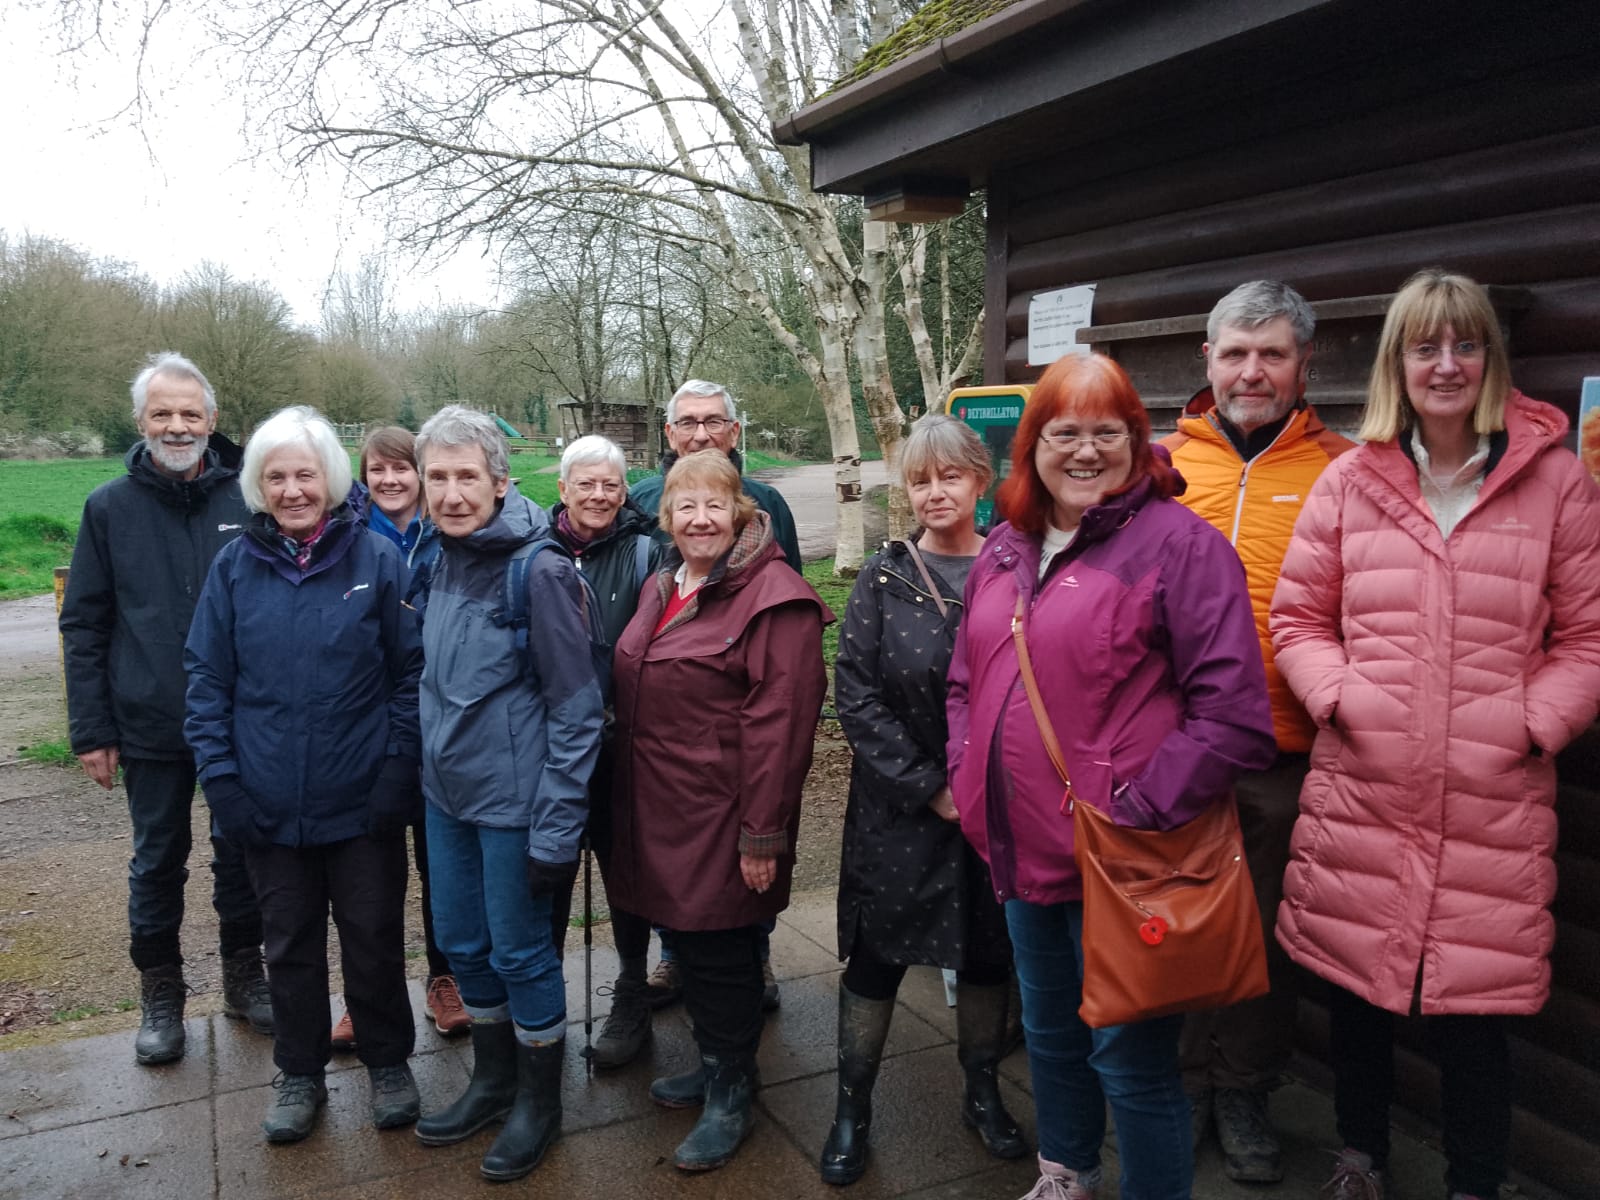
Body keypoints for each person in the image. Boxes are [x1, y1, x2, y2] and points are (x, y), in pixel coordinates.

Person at [1270, 269, 1600, 1200]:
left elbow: (1588, 636)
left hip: (1493, 796)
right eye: (1426, 346)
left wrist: (1534, 723)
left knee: (1474, 1019)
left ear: (1491, 359)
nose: (1446, 364)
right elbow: (1298, 621)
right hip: (1364, 789)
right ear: (1398, 364)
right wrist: (1340, 700)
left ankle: (1473, 1184)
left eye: (1466, 344)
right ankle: (1360, 1157)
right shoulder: (1350, 482)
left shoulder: (1555, 483)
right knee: (1356, 997)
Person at [946, 353, 1276, 1200]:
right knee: (1052, 1037)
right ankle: (1068, 1174)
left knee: (1129, 1061)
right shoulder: (1007, 546)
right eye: (1064, 433)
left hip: (1120, 863)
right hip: (1023, 853)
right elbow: (965, 680)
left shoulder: (1182, 548)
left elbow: (1233, 717)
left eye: (1107, 433)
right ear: (1034, 446)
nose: (1084, 452)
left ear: (1137, 441)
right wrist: (966, 772)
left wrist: (1135, 807)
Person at [184, 405, 424, 1144]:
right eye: (277, 476)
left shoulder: (377, 561)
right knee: (286, 943)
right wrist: (223, 783)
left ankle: (389, 1062)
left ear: (330, 480)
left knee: (374, 935)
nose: (292, 489)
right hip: (264, 802)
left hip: (361, 800)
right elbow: (205, 679)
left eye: (305, 474)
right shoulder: (234, 568)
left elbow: (410, 677)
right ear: (259, 485)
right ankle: (299, 1073)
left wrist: (394, 773)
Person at [1161, 280, 1354, 1182]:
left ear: (1303, 364)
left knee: (1266, 935)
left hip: (1288, 751)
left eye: (1272, 353)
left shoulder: (1347, 469)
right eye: (1235, 353)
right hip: (1174, 750)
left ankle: (1242, 1089)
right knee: (1178, 924)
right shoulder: (1162, 467)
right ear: (1207, 360)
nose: (1252, 371)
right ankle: (1181, 1083)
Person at [609, 449, 831, 1172]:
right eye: (684, 507)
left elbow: (783, 725)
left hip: (727, 813)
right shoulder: (661, 586)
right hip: (662, 807)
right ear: (666, 518)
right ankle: (714, 1063)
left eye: (714, 505)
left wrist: (762, 834)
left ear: (739, 511)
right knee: (692, 949)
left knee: (726, 951)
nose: (699, 519)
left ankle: (734, 1088)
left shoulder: (776, 597)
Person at [821, 414, 1025, 1186]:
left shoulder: (1016, 566)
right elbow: (858, 695)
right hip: (902, 809)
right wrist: (930, 788)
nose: (934, 492)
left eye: (949, 476)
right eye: (919, 479)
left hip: (996, 806)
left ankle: (981, 1090)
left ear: (979, 479)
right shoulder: (885, 574)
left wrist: (983, 792)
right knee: (876, 960)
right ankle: (851, 1107)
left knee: (985, 954)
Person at [58, 351, 271, 1067]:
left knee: (241, 852)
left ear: (212, 421)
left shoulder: (249, 500)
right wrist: (91, 728)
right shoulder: (108, 509)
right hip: (149, 723)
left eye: (189, 413)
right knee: (158, 860)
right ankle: (161, 993)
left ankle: (247, 976)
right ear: (141, 422)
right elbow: (84, 623)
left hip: (244, 721)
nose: (176, 426)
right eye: (162, 413)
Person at [409, 406, 605, 1182]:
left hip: (518, 805)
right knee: (461, 943)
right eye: (438, 477)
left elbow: (577, 708)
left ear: (499, 480)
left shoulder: (541, 570)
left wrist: (557, 830)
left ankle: (539, 1103)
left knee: (521, 952)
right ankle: (492, 1083)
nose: (453, 494)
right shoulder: (436, 555)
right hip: (448, 798)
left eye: (467, 477)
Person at [629, 378, 802, 1009]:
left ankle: (752, 964)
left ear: (734, 432)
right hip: (668, 719)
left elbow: (778, 615)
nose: (701, 433)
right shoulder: (645, 499)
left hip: (730, 727)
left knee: (741, 877)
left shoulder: (766, 502)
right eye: (688, 422)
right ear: (669, 434)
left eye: (714, 421)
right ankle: (678, 960)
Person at [324, 428, 469, 1052]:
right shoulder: (344, 536)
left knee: (440, 865)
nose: (390, 481)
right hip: (368, 724)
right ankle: (367, 995)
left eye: (402, 469)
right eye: (376, 470)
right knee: (368, 874)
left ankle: (447, 979)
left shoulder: (451, 533)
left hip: (441, 720)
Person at [545, 434, 665, 1068]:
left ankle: (630, 990)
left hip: (625, 748)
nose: (597, 495)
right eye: (585, 484)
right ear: (562, 489)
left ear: (625, 492)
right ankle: (541, 1004)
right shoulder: (534, 552)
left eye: (610, 485)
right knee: (552, 876)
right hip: (553, 753)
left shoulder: (647, 553)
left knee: (625, 879)